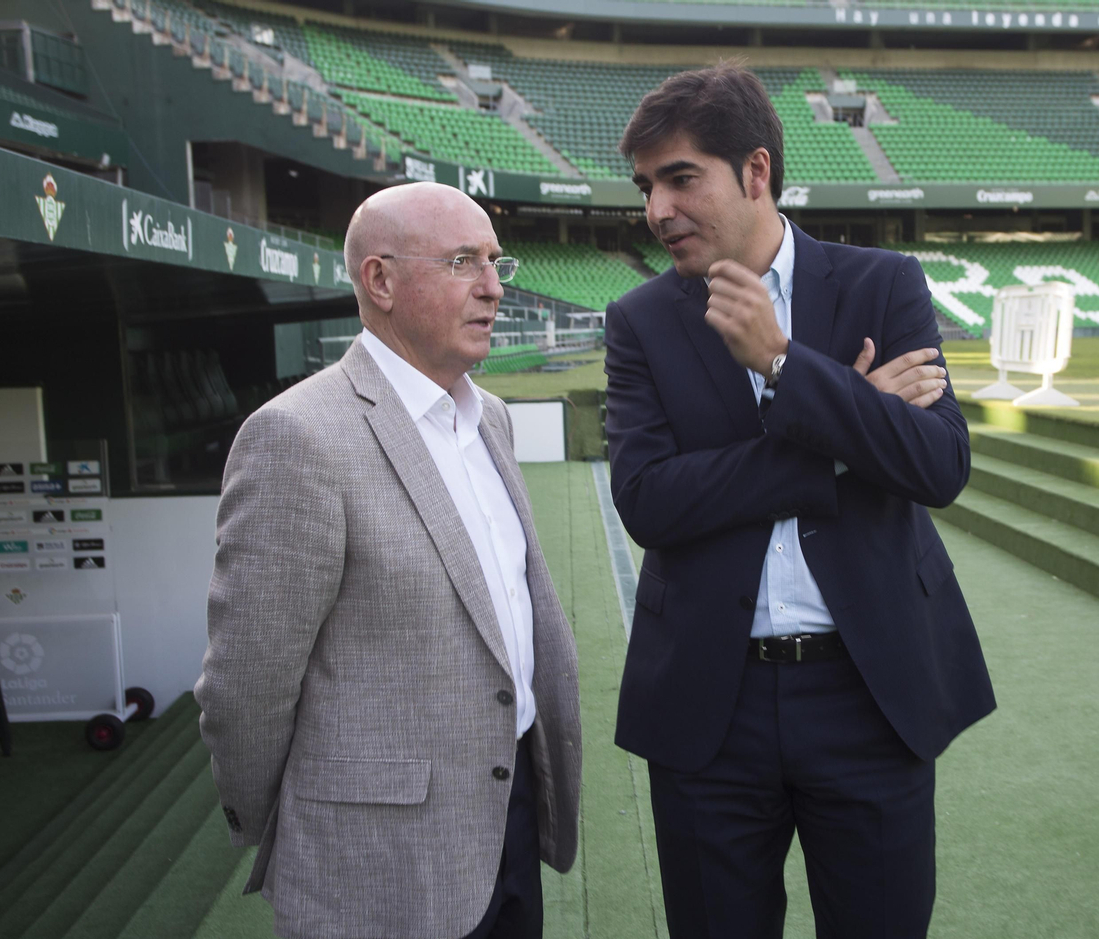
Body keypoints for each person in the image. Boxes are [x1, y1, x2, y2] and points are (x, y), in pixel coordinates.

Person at [605, 64, 996, 938]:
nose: (656, 211)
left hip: (869, 694)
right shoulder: (639, 320)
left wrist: (785, 366)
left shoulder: (880, 284)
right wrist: (842, 432)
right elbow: (649, 502)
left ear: (755, 172)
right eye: (645, 187)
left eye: (679, 178)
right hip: (711, 702)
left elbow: (938, 464)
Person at [196, 182, 582, 939]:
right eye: (463, 261)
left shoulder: (490, 417)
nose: (494, 287)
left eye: (496, 262)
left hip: (508, 826)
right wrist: (302, 820)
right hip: (375, 859)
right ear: (380, 280)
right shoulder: (298, 437)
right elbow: (246, 683)